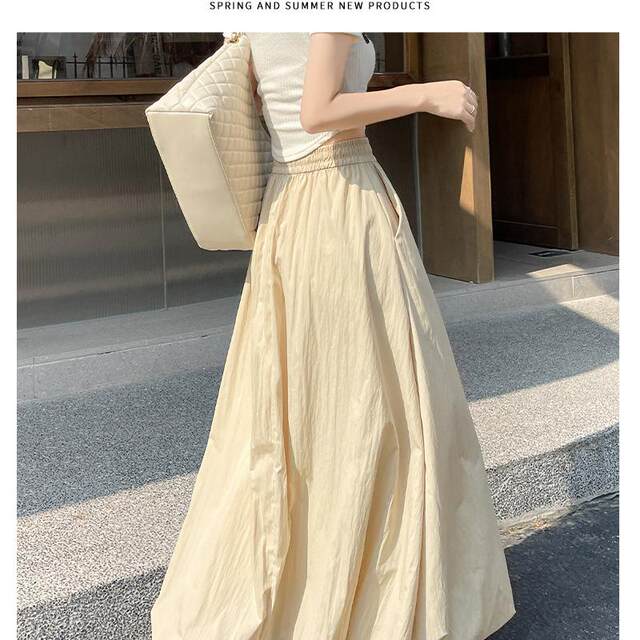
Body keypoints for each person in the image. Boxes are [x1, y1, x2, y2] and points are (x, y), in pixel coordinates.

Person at [151, 32, 516, 640]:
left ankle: (301, 587)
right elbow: (318, 110)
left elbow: (280, 99)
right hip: (340, 201)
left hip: (292, 204)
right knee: (374, 405)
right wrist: (429, 95)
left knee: (298, 408)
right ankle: (366, 598)